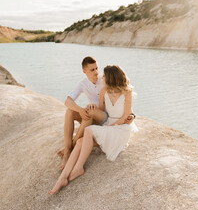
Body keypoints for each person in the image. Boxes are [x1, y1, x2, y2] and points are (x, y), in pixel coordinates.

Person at [49, 65, 138, 194]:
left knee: (89, 130)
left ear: (111, 78)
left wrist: (112, 126)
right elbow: (102, 111)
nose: (102, 77)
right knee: (80, 142)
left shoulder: (127, 92)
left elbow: (126, 115)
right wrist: (92, 106)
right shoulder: (104, 91)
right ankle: (61, 179)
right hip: (108, 126)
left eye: (104, 75)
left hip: (120, 129)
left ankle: (78, 167)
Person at [58, 57, 134, 170]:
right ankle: (68, 148)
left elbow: (122, 94)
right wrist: (80, 110)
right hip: (92, 114)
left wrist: (132, 115)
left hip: (103, 116)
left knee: (90, 112)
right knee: (70, 111)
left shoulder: (105, 79)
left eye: (97, 68)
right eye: (92, 70)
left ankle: (71, 148)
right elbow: (67, 101)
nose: (96, 72)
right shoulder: (82, 84)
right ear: (84, 71)